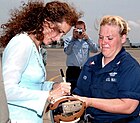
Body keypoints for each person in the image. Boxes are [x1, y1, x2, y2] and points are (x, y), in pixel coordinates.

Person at [0, 0, 82, 122]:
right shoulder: (22, 43)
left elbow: (31, 85)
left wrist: (53, 86)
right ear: (46, 23)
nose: (58, 38)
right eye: (59, 31)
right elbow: (6, 90)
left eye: (63, 34)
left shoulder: (36, 47)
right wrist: (48, 95)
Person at [73, 15, 140, 123]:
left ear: (123, 38)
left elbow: (128, 106)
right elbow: (79, 94)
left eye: (109, 38)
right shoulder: (90, 64)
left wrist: (89, 102)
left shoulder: (130, 67)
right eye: (101, 37)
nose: (103, 42)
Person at [64, 20, 99, 92]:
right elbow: (67, 51)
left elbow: (95, 50)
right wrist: (73, 39)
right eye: (78, 29)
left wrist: (88, 40)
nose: (79, 31)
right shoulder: (69, 40)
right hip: (72, 70)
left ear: (84, 30)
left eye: (81, 29)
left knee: (84, 90)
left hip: (84, 69)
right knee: (72, 90)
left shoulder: (87, 40)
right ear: (74, 29)